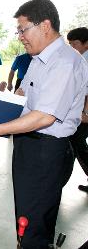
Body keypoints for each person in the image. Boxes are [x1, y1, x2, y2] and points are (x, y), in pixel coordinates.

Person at [0, 0, 88, 248]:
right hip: (29, 144)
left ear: (45, 25)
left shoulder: (65, 62)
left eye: (23, 29)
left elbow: (45, 116)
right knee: (25, 215)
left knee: (34, 222)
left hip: (47, 150)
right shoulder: (39, 59)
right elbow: (23, 97)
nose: (20, 36)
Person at [67, 27, 88, 193]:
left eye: (75, 43)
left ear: (86, 44)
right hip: (79, 112)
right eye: (70, 43)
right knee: (77, 146)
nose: (71, 47)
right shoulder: (79, 58)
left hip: (84, 115)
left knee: (78, 146)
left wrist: (86, 113)